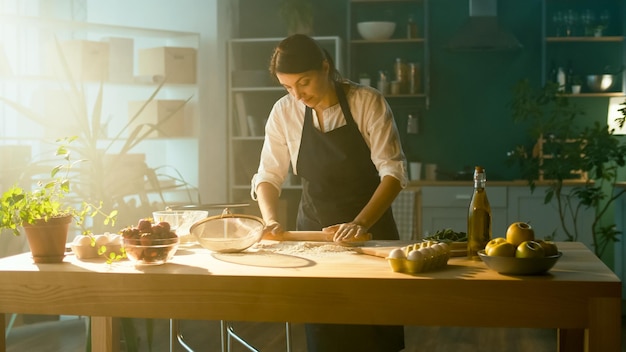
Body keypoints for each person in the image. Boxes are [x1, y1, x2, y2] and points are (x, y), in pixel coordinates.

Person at [250, 34, 408, 352]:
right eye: (288, 87)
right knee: (325, 332)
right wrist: (270, 220)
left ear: (325, 66)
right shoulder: (284, 112)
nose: (298, 95)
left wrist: (360, 223)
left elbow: (393, 173)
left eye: (304, 82)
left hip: (371, 235)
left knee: (375, 333)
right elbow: (268, 175)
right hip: (314, 235)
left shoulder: (367, 102)